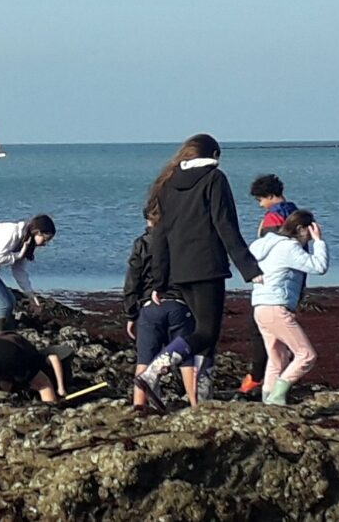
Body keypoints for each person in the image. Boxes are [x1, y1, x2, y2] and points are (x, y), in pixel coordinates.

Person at [135, 133, 263, 408]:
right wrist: (250, 268)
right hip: (208, 268)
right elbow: (225, 225)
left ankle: (203, 400)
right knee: (206, 332)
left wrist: (159, 281)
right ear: (214, 155)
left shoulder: (169, 185)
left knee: (206, 336)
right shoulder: (215, 179)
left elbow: (161, 236)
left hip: (180, 271)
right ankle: (154, 370)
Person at [249, 210, 328, 405]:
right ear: (301, 229)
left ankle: (268, 401)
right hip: (276, 307)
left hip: (260, 307)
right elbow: (319, 267)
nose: (309, 238)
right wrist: (319, 242)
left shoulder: (265, 245)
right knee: (306, 355)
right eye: (309, 232)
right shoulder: (289, 248)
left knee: (278, 358)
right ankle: (277, 394)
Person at [123, 210, 197, 408]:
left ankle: (139, 406)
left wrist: (130, 314)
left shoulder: (142, 243)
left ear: (147, 218)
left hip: (150, 307)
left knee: (144, 360)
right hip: (179, 304)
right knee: (186, 358)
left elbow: (133, 280)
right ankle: (195, 403)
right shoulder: (181, 242)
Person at [238, 174, 299, 397]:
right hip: (293, 281)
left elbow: (267, 248)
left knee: (260, 332)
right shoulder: (296, 213)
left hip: (271, 283)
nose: (260, 204)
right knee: (282, 330)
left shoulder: (274, 218)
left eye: (261, 200)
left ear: (271, 196)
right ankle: (272, 379)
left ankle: (258, 379)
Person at [0, 331, 73, 403]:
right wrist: (60, 389)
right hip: (8, 349)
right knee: (44, 385)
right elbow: (53, 358)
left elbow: (5, 381)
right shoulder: (35, 358)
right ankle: (50, 414)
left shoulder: (17, 366)